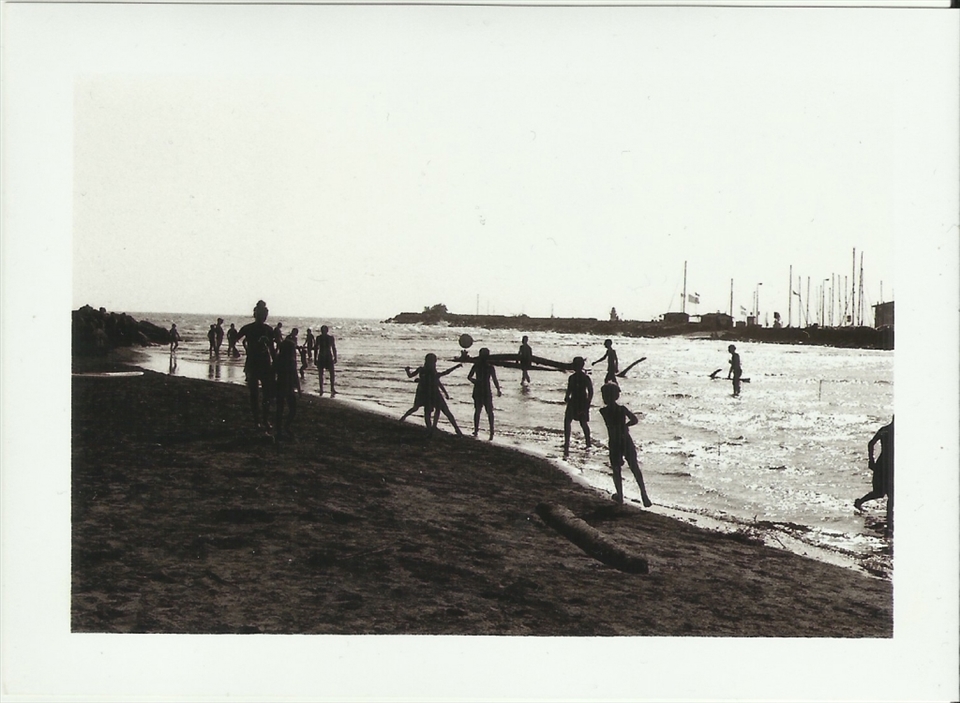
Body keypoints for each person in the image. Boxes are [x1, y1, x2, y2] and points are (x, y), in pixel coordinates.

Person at [599, 382, 653, 507]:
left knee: (616, 469)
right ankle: (644, 495)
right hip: (626, 438)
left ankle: (620, 496)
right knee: (634, 467)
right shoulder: (622, 409)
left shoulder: (603, 411)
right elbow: (634, 420)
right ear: (617, 396)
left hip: (614, 441)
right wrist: (625, 426)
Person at [235, 300, 277, 431]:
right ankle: (259, 421)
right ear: (256, 314)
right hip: (255, 363)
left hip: (262, 363)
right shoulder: (250, 328)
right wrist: (239, 348)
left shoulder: (267, 330)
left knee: (264, 394)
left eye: (264, 314)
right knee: (257, 394)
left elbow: (272, 348)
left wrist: (275, 363)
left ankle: (262, 420)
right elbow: (235, 339)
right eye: (261, 314)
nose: (263, 317)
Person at [399, 355, 461, 428]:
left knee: (421, 410)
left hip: (423, 392)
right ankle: (454, 429)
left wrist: (407, 370)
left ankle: (404, 418)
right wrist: (455, 367)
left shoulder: (422, 370)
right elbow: (442, 376)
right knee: (444, 411)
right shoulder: (431, 372)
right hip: (432, 393)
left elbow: (410, 376)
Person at [855, 418, 894, 533]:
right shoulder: (886, 431)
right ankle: (890, 524)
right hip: (884, 465)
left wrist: (872, 460)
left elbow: (871, 443)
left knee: (888, 494)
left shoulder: (886, 430)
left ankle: (890, 522)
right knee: (881, 493)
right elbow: (871, 443)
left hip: (888, 465)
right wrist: (871, 460)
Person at [468, 348, 502, 440]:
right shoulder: (489, 367)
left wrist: (475, 381)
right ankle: (491, 431)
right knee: (488, 411)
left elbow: (469, 377)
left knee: (479, 411)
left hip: (479, 389)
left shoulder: (477, 365)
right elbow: (494, 379)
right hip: (485, 390)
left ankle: (478, 430)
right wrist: (498, 389)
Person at [274, 328, 301, 441]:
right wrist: (299, 389)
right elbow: (295, 375)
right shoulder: (291, 361)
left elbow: (273, 372)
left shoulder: (278, 359)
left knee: (279, 408)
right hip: (288, 387)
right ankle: (286, 426)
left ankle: (279, 429)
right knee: (292, 409)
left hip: (280, 385)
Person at [563, 356, 593, 456]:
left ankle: (568, 442)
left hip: (577, 402)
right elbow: (590, 392)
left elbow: (570, 390)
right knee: (582, 423)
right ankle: (587, 443)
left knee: (570, 422)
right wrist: (588, 402)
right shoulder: (583, 377)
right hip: (580, 402)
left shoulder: (576, 377)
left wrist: (567, 397)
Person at [316, 325, 338, 396]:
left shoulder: (319, 338)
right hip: (326, 356)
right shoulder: (329, 338)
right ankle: (329, 388)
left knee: (322, 374)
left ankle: (324, 388)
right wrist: (335, 357)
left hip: (323, 356)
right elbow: (333, 348)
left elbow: (316, 348)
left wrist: (335, 357)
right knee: (329, 374)